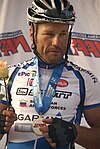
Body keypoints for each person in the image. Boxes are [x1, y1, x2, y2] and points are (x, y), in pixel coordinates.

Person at [0, 0, 100, 149]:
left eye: (63, 34)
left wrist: (75, 132)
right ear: (32, 33)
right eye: (49, 34)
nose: (56, 42)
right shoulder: (11, 74)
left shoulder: (85, 79)